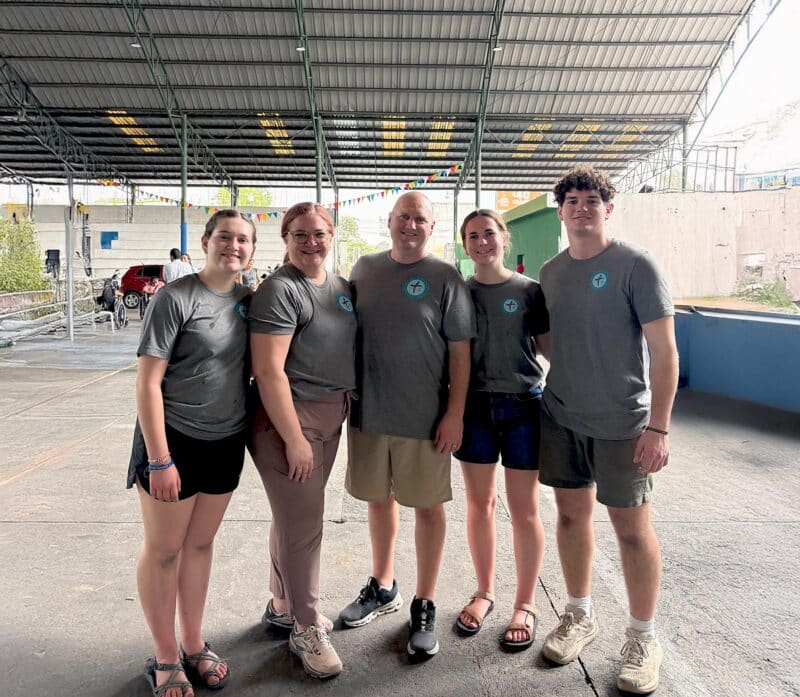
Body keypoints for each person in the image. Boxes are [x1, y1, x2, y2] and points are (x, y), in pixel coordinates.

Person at [537, 166, 678, 694]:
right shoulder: (550, 273)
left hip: (624, 424)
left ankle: (643, 637)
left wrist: (658, 428)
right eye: (571, 200)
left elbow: (664, 353)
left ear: (607, 208)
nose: (580, 207)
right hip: (562, 416)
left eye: (591, 199)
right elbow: (550, 340)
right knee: (571, 518)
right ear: (561, 210)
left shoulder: (635, 265)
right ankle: (578, 614)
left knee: (631, 530)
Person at [340, 191, 474, 660]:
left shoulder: (445, 277)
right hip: (370, 414)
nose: (410, 225)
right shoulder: (364, 269)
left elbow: (460, 351)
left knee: (428, 508)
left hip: (425, 419)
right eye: (402, 217)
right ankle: (383, 585)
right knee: (379, 500)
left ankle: (425, 600)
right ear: (390, 221)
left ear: (432, 227)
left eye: (419, 218)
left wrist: (454, 413)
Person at [126, 209, 255, 697]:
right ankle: (164, 654)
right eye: (225, 237)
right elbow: (147, 383)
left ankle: (195, 642)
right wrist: (159, 459)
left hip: (226, 440)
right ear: (205, 242)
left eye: (243, 240)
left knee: (199, 545)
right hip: (173, 439)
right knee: (164, 551)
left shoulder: (249, 300)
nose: (234, 246)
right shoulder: (175, 299)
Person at [248, 202, 356, 680]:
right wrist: (293, 438)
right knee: (305, 523)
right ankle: (306, 626)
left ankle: (281, 604)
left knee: (291, 518)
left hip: (331, 417)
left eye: (319, 233)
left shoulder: (339, 287)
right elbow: (268, 370)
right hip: (290, 420)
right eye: (300, 234)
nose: (311, 242)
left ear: (331, 235)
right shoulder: (280, 290)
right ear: (285, 239)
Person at [452, 209, 549, 652]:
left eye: (488, 233)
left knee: (525, 510)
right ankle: (485, 591)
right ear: (465, 245)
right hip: (473, 408)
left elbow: (552, 353)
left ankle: (526, 603)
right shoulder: (459, 292)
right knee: (480, 505)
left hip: (523, 407)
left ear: (504, 239)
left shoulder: (530, 291)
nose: (481, 242)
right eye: (472, 236)